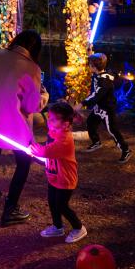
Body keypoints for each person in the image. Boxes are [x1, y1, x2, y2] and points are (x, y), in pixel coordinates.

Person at [0, 30, 42, 226]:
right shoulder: (31, 68)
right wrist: (43, 97)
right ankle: (10, 208)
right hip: (13, 125)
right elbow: (31, 107)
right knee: (23, 162)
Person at [31, 102, 87, 243]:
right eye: (49, 117)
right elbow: (46, 151)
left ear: (65, 124)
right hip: (54, 176)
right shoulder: (54, 132)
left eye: (53, 119)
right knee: (52, 202)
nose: (49, 121)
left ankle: (79, 228)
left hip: (65, 179)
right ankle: (57, 227)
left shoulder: (64, 140)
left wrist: (32, 148)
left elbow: (46, 151)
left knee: (62, 205)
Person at [74, 53, 131, 162]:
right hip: (99, 107)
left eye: (90, 65)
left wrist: (82, 103)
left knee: (112, 130)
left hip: (107, 109)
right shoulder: (100, 74)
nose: (88, 66)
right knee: (90, 122)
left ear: (94, 67)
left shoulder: (105, 81)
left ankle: (126, 150)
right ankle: (96, 142)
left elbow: (96, 95)